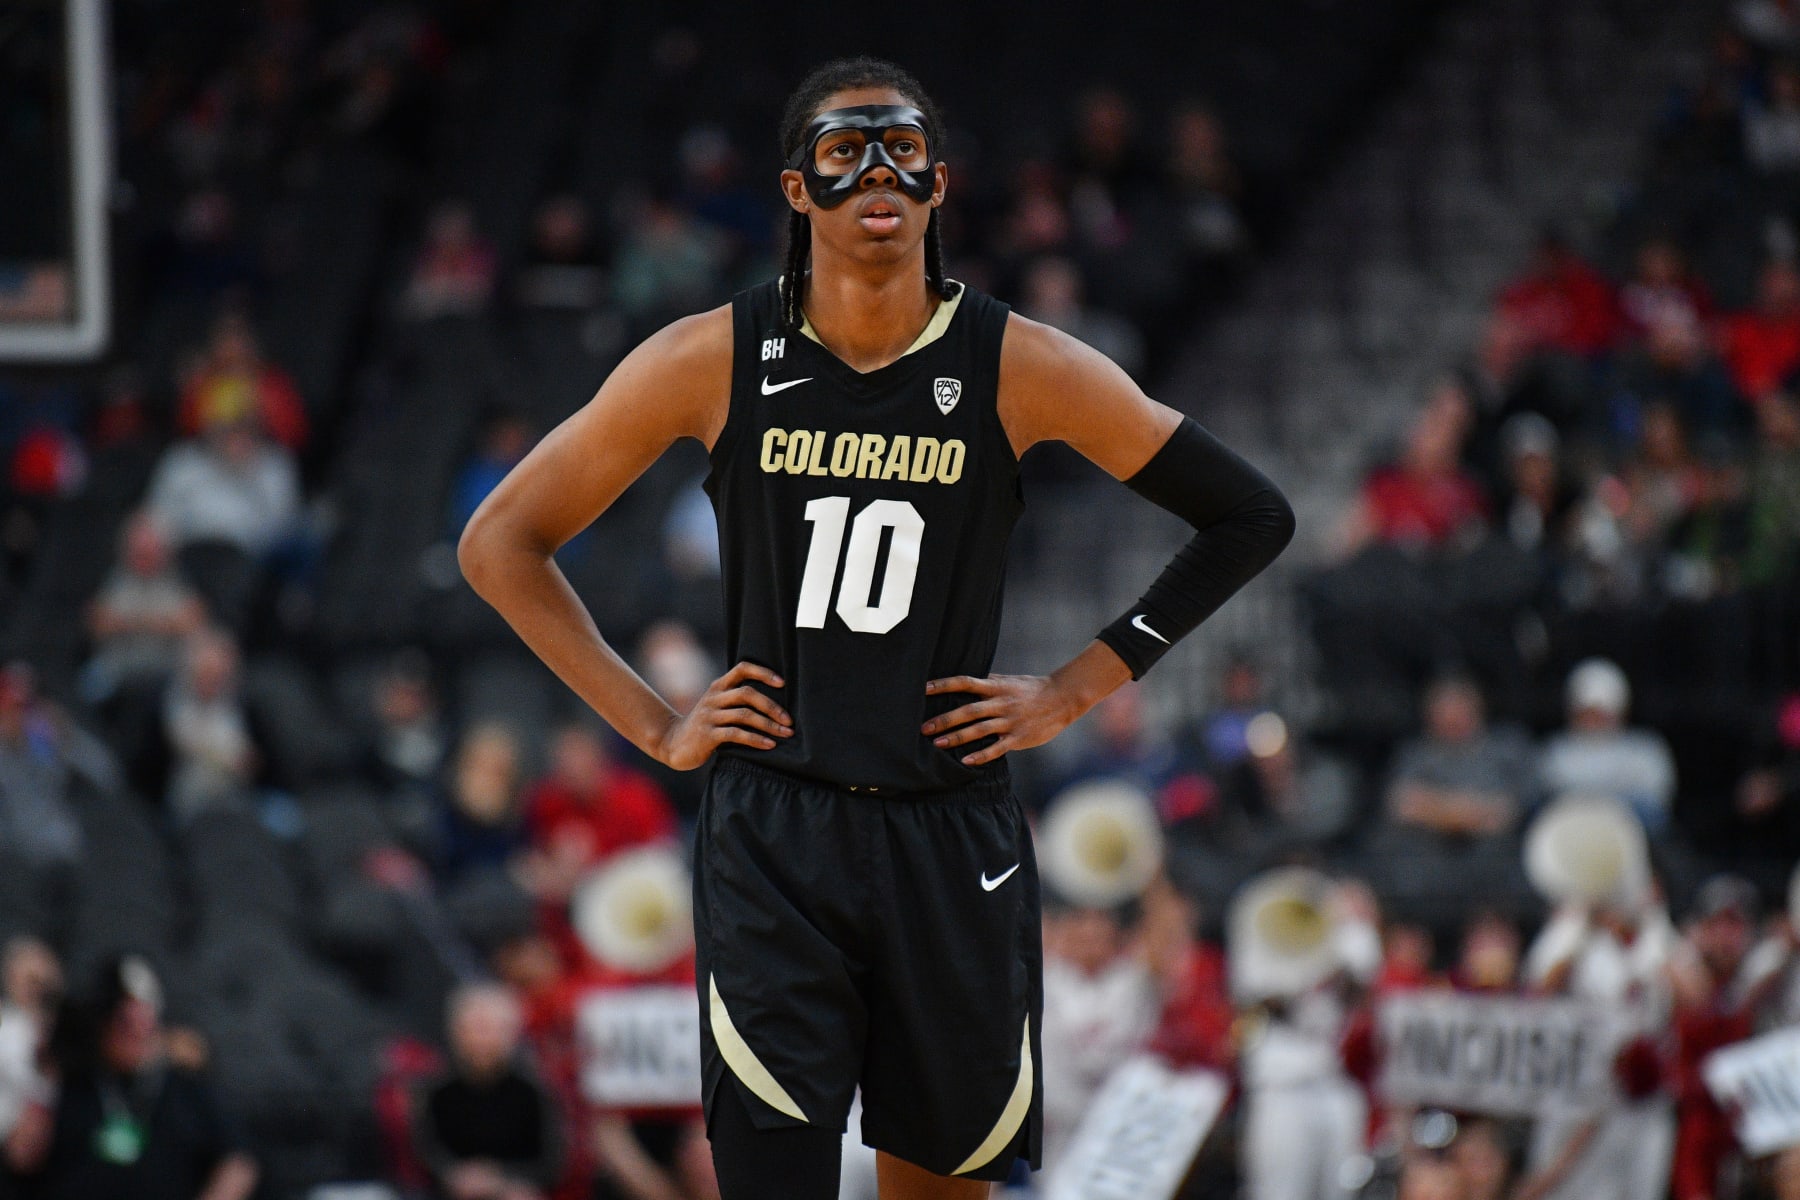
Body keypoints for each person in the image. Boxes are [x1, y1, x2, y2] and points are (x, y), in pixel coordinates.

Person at [457, 56, 1293, 1200]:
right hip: (774, 837)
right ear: (797, 189)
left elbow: (1249, 513)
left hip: (950, 836)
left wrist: (1079, 685)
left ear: (941, 184)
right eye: (844, 153)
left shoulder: (1016, 363)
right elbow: (499, 543)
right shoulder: (712, 356)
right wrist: (653, 728)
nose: (877, 176)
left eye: (901, 149)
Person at [9, 955, 258, 1200]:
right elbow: (22, 1156)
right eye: (125, 1023)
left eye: (145, 1020)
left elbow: (238, 1161)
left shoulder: (185, 1087)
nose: (139, 1032)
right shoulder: (71, 1082)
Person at [412, 983, 566, 1200]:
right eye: (473, 1028)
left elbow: (551, 1163)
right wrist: (456, 1175)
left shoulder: (533, 1090)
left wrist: (499, 1178)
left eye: (490, 1029)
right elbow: (426, 1152)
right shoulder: (437, 1090)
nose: (481, 1040)